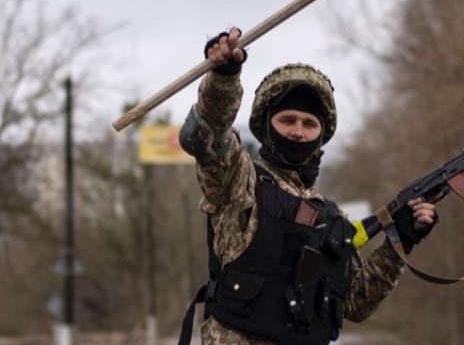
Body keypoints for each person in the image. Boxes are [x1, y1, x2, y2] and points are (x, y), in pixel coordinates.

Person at [177, 27, 437, 345]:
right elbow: (206, 136)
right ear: (266, 125)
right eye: (287, 120)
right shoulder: (239, 181)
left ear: (320, 135)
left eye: (309, 123)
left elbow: (355, 303)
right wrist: (224, 77)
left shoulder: (331, 216)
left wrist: (400, 241)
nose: (298, 132)